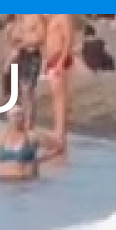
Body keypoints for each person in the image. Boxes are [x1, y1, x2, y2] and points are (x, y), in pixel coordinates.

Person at [0, 105, 63, 181]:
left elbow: (58, 148)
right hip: (2, 181)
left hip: (26, 181)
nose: (18, 118)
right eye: (15, 115)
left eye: (21, 115)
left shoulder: (32, 135)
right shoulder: (1, 136)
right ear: (8, 118)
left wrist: (39, 160)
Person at [43, 14, 76, 153]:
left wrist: (61, 62)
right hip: (52, 58)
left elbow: (69, 39)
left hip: (59, 58)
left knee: (60, 97)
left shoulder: (64, 16)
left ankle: (61, 133)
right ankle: (58, 130)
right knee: (55, 97)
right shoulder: (52, 18)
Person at [5, 15, 45, 126]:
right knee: (17, 90)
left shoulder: (36, 17)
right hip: (20, 54)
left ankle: (29, 124)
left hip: (32, 55)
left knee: (28, 91)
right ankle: (19, 123)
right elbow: (13, 37)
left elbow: (41, 37)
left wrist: (24, 43)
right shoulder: (19, 17)